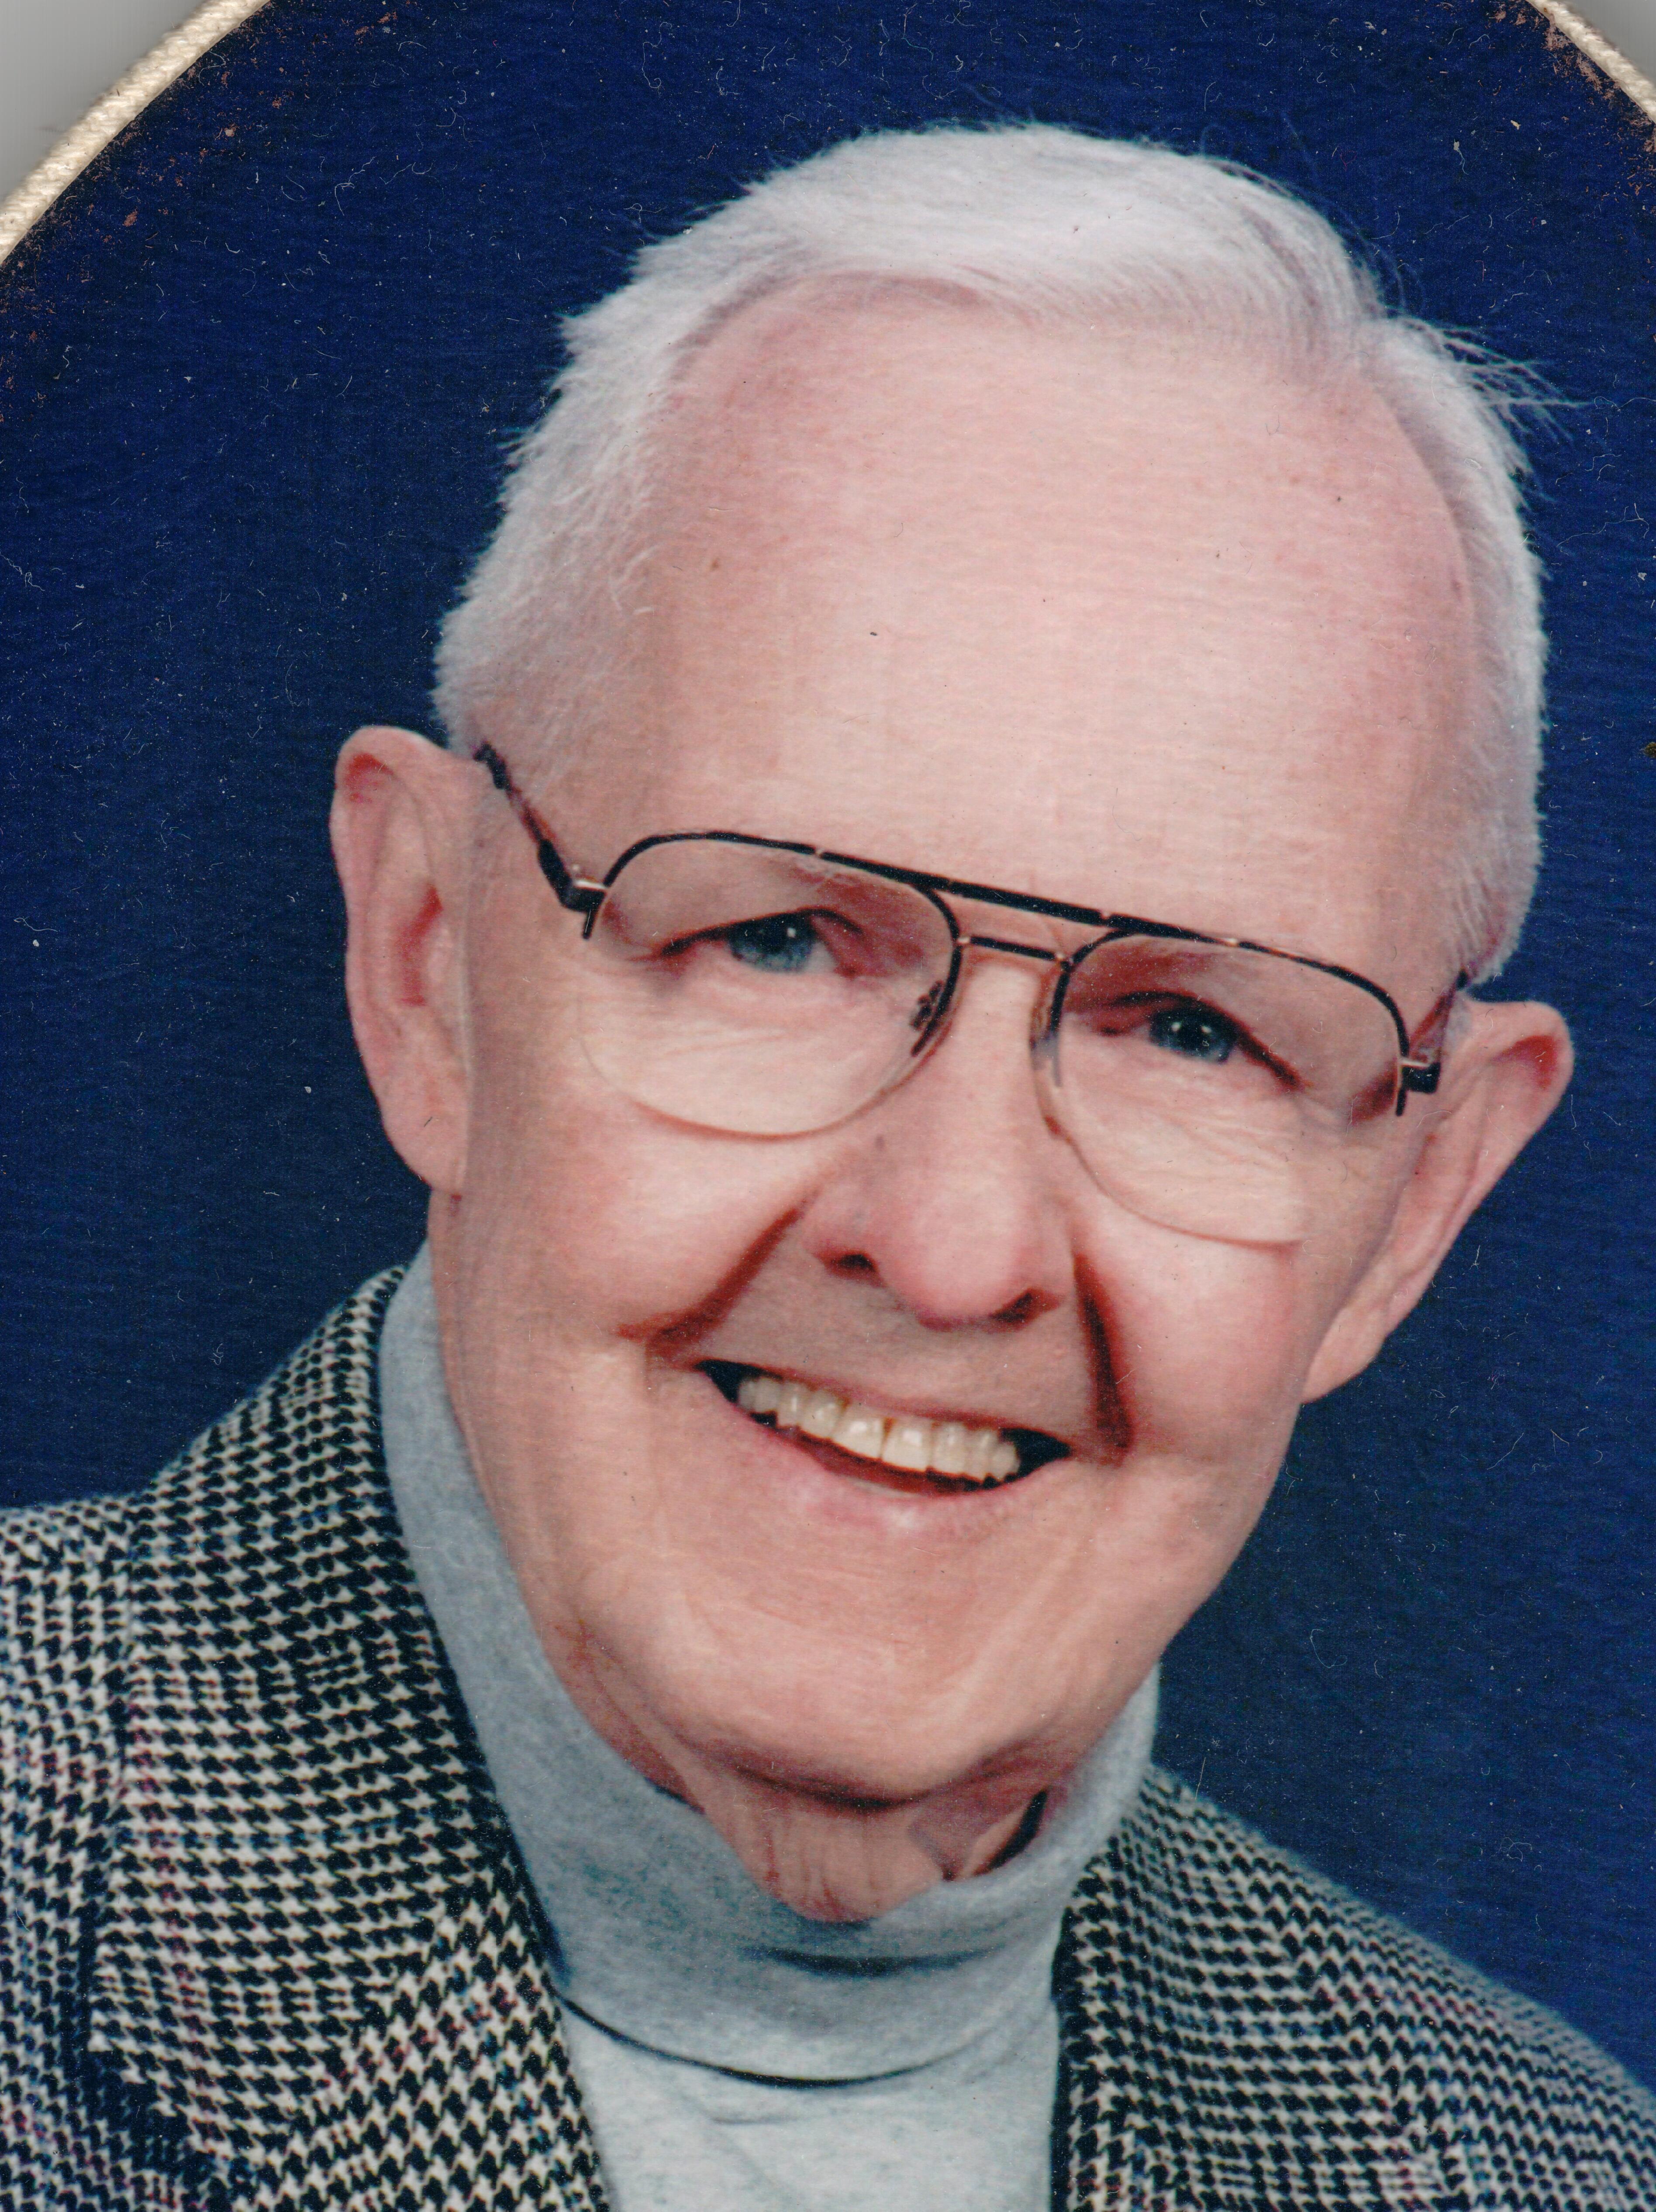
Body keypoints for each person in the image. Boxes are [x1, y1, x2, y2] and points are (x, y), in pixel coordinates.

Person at [3, 123, 1652, 2211]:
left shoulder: (1552, 2171)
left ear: (1416, 1205)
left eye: (1194, 1031)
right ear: (428, 966)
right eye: (777, 939)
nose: (953, 1248)